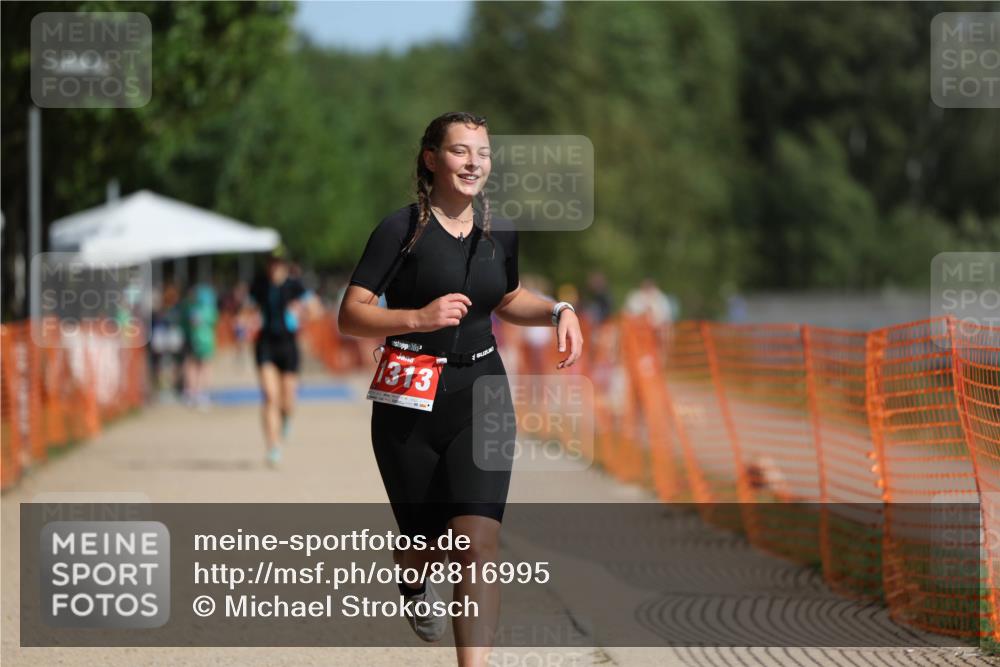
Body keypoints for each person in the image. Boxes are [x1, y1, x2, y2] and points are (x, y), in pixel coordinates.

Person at [337, 111, 584, 667]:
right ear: (431, 159)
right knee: (426, 544)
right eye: (460, 151)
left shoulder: (502, 231)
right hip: (410, 399)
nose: (475, 163)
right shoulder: (400, 231)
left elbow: (507, 298)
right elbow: (350, 316)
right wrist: (418, 318)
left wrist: (558, 311)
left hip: (484, 393)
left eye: (484, 153)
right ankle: (413, 579)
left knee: (477, 543)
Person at [249, 250, 321, 467]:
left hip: (288, 345)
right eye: (270, 263)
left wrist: (303, 316)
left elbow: (315, 308)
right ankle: (273, 446)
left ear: (284, 265)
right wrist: (247, 319)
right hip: (266, 344)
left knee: (287, 400)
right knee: (270, 396)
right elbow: (247, 308)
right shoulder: (259, 284)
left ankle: (286, 417)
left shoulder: (294, 285)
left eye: (278, 263)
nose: (274, 267)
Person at [179, 282, 219, 410]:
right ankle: (202, 392)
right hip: (205, 342)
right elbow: (214, 322)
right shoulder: (209, 310)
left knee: (193, 366)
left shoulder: (192, 308)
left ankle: (192, 392)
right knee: (203, 366)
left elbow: (189, 323)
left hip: (194, 340)